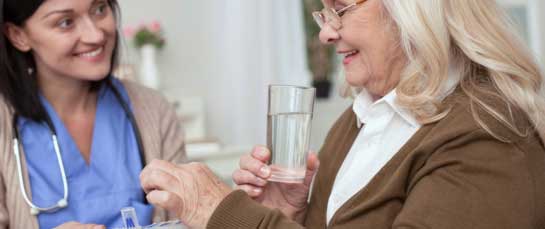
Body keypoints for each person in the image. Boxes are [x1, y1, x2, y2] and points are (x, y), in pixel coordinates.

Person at [139, 0, 545, 228]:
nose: (326, 33)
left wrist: (224, 212)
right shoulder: (357, 122)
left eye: (341, 9)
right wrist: (288, 215)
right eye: (323, 14)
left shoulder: (488, 134)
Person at [0, 0, 186, 228]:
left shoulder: (154, 110)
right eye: (65, 22)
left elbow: (187, 217)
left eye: (99, 9)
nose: (96, 35)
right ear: (18, 35)